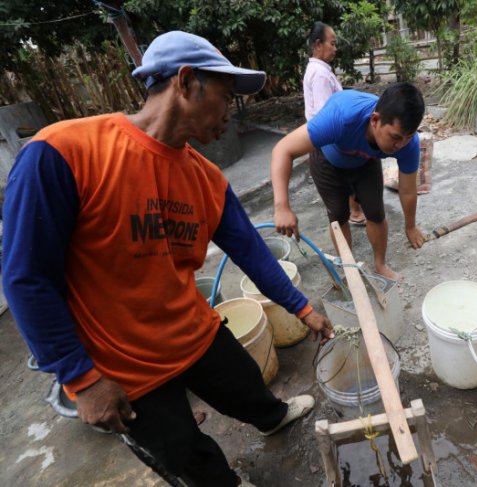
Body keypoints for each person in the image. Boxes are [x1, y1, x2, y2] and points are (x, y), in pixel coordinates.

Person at [2, 31, 333, 487]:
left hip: (191, 330)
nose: (229, 113)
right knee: (190, 459)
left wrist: (302, 308)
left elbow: (252, 253)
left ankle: (273, 417)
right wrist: (81, 378)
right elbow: (25, 278)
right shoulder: (63, 153)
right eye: (224, 96)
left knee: (245, 383)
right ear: (185, 82)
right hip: (125, 366)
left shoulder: (206, 179)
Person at [271, 82, 426, 281]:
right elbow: (283, 149)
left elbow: (407, 190)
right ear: (375, 120)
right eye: (395, 137)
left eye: (407, 137)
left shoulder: (407, 143)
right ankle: (349, 268)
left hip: (364, 161)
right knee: (338, 215)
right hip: (327, 161)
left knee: (376, 212)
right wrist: (281, 206)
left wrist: (410, 226)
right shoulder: (341, 117)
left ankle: (380, 265)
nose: (400, 145)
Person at [303, 22, 365, 226]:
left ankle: (354, 211)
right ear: (318, 44)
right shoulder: (319, 74)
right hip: (327, 142)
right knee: (345, 179)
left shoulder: (319, 70)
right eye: (332, 43)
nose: (335, 48)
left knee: (347, 177)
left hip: (326, 140)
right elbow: (326, 116)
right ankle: (352, 213)